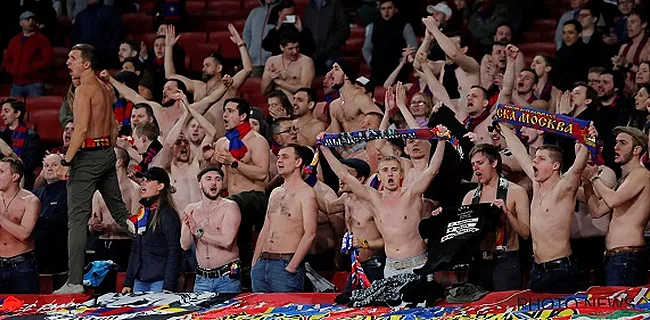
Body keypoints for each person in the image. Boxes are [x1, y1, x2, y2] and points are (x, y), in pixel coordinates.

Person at [54, 44, 133, 294]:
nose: (68, 62)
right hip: (106, 154)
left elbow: (80, 129)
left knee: (77, 220)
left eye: (72, 58)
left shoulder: (83, 90)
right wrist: (106, 153)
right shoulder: (105, 88)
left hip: (87, 157)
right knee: (121, 212)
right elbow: (112, 126)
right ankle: (151, 238)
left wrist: (67, 161)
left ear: (86, 64)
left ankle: (75, 282)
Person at [319, 126, 446, 277]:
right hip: (391, 268)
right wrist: (324, 148)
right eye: (385, 170)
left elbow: (432, 170)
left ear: (401, 174)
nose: (390, 174)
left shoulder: (412, 193)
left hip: (417, 265)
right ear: (379, 177)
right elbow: (345, 176)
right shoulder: (374, 198)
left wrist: (442, 140)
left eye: (394, 170)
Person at [500, 124, 594, 293]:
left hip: (561, 271)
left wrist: (589, 139)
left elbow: (578, 167)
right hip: (537, 271)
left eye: (541, 159)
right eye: (535, 158)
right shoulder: (537, 185)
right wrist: (501, 125)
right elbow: (519, 152)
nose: (534, 161)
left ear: (555, 166)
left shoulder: (564, 188)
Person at [206, 98, 270, 285]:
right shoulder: (222, 143)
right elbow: (221, 179)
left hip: (255, 199)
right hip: (233, 201)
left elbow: (263, 174)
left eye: (230, 111)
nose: (225, 115)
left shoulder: (257, 141)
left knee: (232, 205)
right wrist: (209, 161)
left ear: (243, 116)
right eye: (224, 111)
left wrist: (233, 162)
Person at [582, 126, 650, 286]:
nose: (616, 147)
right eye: (616, 142)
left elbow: (613, 200)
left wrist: (594, 177)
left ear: (637, 149)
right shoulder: (624, 180)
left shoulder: (642, 174)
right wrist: (586, 184)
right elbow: (596, 211)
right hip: (616, 257)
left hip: (627, 256)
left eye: (623, 143)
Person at [460, 144, 530, 291]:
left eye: (480, 163)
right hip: (477, 263)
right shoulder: (470, 197)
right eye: (473, 164)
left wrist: (507, 213)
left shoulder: (516, 192)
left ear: (494, 163)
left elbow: (525, 233)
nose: (475, 168)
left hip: (505, 262)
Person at [251, 144, 318, 292]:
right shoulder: (275, 192)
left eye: (285, 157)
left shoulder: (306, 193)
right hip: (262, 264)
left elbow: (310, 234)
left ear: (298, 162)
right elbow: (266, 227)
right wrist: (255, 263)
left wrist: (292, 266)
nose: (279, 161)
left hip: (284, 264)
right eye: (279, 157)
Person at [165, 24, 252, 134]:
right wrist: (168, 47)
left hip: (221, 142)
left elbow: (248, 69)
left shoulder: (228, 85)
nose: (203, 68)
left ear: (219, 68)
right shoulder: (197, 86)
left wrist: (240, 44)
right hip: (198, 142)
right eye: (203, 65)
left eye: (207, 65)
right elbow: (170, 75)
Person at [180, 166, 242, 293]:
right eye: (208, 179)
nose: (213, 183)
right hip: (202, 278)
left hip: (227, 277)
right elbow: (185, 245)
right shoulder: (191, 209)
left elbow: (226, 241)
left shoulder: (230, 207)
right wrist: (188, 227)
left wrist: (198, 232)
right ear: (200, 184)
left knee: (227, 313)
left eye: (218, 179)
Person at [88, 147, 141, 292]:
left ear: (118, 162)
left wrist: (108, 226)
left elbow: (136, 226)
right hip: (102, 247)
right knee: (100, 292)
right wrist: (94, 226)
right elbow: (93, 226)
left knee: (123, 292)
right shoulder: (99, 192)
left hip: (124, 247)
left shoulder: (134, 190)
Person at [122, 167, 182, 293]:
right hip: (140, 281)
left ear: (160, 186)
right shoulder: (142, 213)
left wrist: (168, 286)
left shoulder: (168, 214)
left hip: (160, 282)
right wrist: (128, 282)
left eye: (148, 180)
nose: (143, 183)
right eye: (143, 179)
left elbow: (174, 251)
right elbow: (135, 250)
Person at [0, 157, 40, 293]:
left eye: (1, 172)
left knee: (26, 310)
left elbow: (24, 234)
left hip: (21, 265)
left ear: (14, 176)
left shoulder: (30, 201)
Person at [33, 154, 69, 289]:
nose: (49, 169)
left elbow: (63, 219)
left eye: (54, 165)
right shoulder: (36, 193)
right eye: (46, 165)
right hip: (39, 250)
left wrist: (38, 219)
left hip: (60, 251)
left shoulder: (69, 191)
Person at [362, 0, 418, 85]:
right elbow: (366, 48)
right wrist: (372, 62)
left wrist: (402, 62)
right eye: (383, 9)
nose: (386, 11)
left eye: (389, 8)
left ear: (395, 9)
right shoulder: (373, 26)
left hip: (398, 71)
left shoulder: (405, 26)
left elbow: (413, 46)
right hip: (378, 71)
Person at [3, 11, 54, 98]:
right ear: (21, 23)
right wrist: (11, 70)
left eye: (33, 19)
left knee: (37, 109)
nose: (31, 22)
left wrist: (31, 68)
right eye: (27, 19)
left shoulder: (42, 40)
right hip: (16, 83)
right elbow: (8, 58)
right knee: (14, 109)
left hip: (34, 83)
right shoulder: (14, 40)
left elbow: (48, 59)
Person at [326, 59, 383, 134]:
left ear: (346, 75)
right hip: (346, 145)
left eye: (336, 69)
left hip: (364, 143)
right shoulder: (334, 105)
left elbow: (381, 120)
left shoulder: (360, 99)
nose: (330, 72)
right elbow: (335, 134)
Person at [0, 98, 41, 190]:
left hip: (23, 177)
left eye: (6, 111)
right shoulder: (1, 136)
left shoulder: (31, 136)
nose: (2, 114)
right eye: (2, 111)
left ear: (17, 113)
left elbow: (29, 164)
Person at [262, 28, 315, 99]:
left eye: (297, 47)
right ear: (282, 47)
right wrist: (270, 79)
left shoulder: (306, 61)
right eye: (291, 49)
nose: (295, 51)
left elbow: (304, 90)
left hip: (295, 103)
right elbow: (263, 91)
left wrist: (279, 82)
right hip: (277, 103)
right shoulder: (271, 61)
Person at [243, 0, 282, 76]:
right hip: (254, 62)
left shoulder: (281, 12)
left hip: (274, 62)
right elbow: (247, 33)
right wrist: (248, 50)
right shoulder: (255, 12)